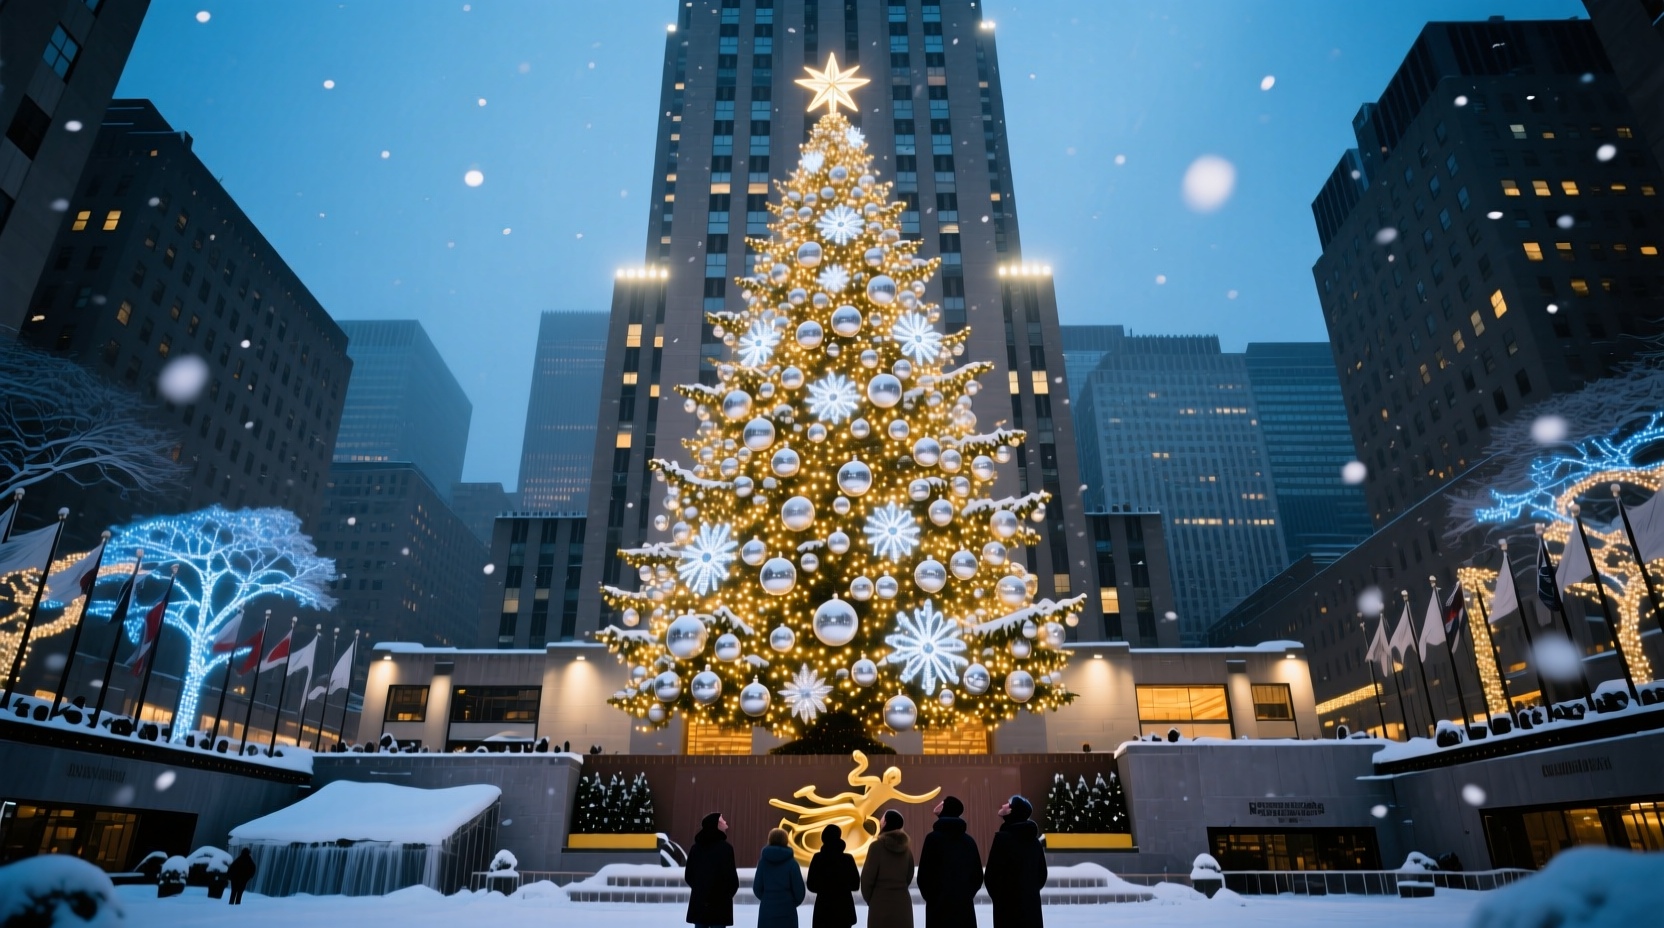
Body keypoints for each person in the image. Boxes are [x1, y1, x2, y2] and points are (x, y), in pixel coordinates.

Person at [917, 796, 982, 928]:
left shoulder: (932, 839)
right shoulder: (969, 841)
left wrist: (933, 898)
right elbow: (977, 877)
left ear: (946, 808)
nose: (938, 804)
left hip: (938, 909)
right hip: (964, 907)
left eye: (942, 803)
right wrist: (966, 895)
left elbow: (923, 875)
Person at [985, 795, 1047, 928]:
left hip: (1007, 911)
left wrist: (1001, 898)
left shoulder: (1002, 840)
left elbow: (991, 876)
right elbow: (1042, 876)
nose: (1003, 806)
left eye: (1008, 804)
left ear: (1013, 811)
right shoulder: (1034, 842)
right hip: (1031, 908)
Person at [860, 810, 916, 928]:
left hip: (880, 905)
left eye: (882, 819)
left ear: (885, 823)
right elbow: (909, 875)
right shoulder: (906, 849)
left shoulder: (876, 847)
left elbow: (867, 879)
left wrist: (873, 899)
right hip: (902, 904)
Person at [684, 812, 739, 928]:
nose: (725, 822)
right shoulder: (726, 849)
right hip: (720, 905)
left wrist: (700, 889)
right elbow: (732, 878)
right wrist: (726, 895)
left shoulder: (696, 848)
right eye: (722, 820)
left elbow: (689, 875)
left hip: (699, 903)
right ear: (716, 824)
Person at [806, 823, 860, 928]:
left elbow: (811, 885)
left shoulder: (818, 858)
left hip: (823, 910)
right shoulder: (847, 859)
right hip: (843, 909)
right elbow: (855, 885)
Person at [753, 827, 807, 928]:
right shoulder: (792, 864)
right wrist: (790, 903)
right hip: (787, 910)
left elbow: (757, 888)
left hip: (767, 910)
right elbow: (799, 892)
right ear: (786, 840)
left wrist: (767, 899)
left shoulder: (763, 863)